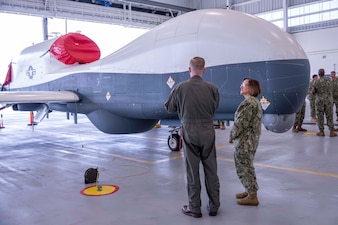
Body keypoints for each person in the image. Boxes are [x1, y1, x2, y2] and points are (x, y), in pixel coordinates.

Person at [164, 56, 220, 217]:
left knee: (192, 170)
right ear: (204, 69)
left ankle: (195, 207)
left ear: (189, 69)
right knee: (211, 169)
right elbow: (215, 106)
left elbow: (169, 108)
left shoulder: (180, 88)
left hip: (189, 130)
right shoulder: (213, 88)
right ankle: (215, 205)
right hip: (208, 129)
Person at [229, 78, 262, 206]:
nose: (241, 86)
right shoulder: (253, 102)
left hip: (245, 142)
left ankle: (252, 195)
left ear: (251, 88)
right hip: (249, 141)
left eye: (244, 85)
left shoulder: (248, 103)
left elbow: (240, 124)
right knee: (247, 166)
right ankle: (249, 190)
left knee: (244, 167)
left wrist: (232, 136)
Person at [314, 68, 337, 137]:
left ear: (319, 74)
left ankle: (321, 131)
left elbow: (313, 92)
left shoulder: (316, 82)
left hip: (320, 101)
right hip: (329, 101)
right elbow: (333, 89)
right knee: (329, 115)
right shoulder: (330, 80)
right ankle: (331, 131)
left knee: (320, 116)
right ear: (324, 73)